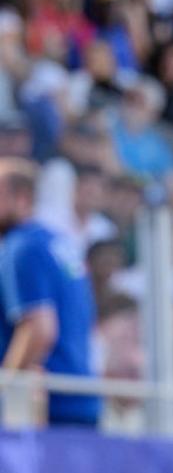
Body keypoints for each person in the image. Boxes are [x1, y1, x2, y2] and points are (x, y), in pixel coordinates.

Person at [0, 157, 100, 427]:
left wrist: (5, 385)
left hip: (49, 409)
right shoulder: (59, 243)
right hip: (82, 399)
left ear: (22, 198)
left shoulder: (21, 246)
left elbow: (40, 329)